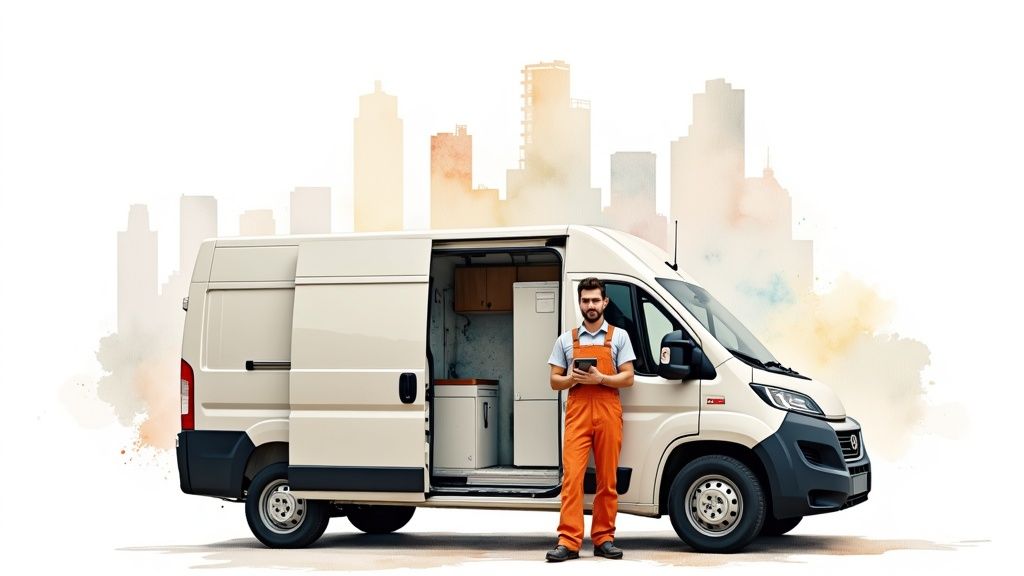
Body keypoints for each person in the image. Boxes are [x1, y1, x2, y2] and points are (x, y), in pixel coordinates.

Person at [545, 277, 635, 562]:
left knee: (607, 480)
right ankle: (568, 541)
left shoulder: (618, 337)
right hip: (578, 414)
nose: (591, 305)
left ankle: (604, 539)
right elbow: (554, 381)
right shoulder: (567, 339)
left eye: (596, 300)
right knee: (572, 479)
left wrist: (601, 378)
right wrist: (573, 377)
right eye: (586, 300)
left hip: (608, 412)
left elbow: (629, 377)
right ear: (580, 303)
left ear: (605, 302)